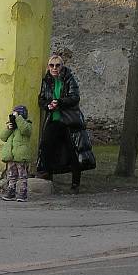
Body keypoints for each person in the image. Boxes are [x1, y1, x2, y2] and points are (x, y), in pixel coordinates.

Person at [37, 54, 87, 191]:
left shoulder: (69, 78)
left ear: (62, 66)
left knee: (72, 150)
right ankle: (48, 177)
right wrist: (48, 105)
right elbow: (41, 99)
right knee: (46, 147)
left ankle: (75, 183)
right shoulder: (46, 80)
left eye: (57, 65)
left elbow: (75, 97)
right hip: (53, 119)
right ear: (48, 67)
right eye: (52, 65)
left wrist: (59, 102)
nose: (54, 68)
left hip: (67, 120)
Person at [0, 105, 33, 202]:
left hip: (21, 155)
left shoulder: (27, 124)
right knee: (11, 175)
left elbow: (25, 130)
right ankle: (11, 191)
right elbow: (3, 137)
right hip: (11, 155)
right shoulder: (12, 127)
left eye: (16, 114)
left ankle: (23, 192)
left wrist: (18, 119)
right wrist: (8, 128)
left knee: (22, 176)